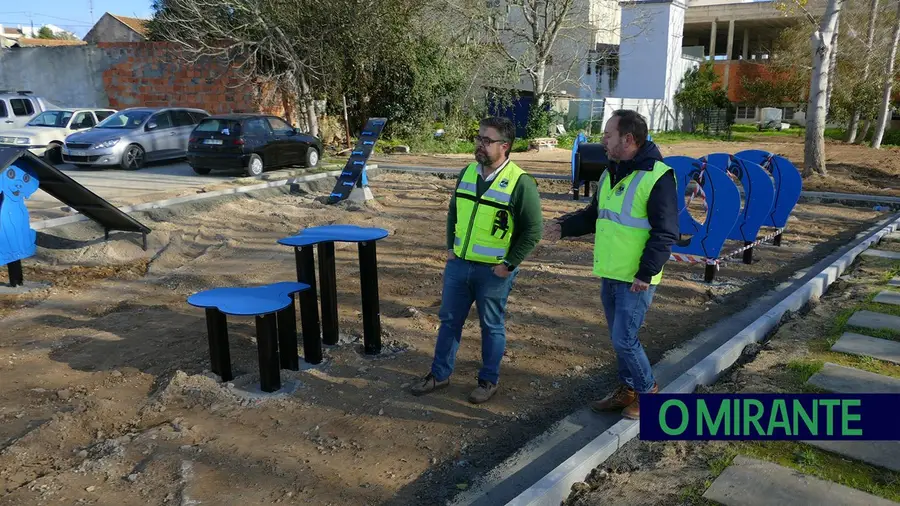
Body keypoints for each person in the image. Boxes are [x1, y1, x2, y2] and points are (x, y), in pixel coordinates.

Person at [544, 110, 678, 419]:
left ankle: (648, 393)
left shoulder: (658, 176)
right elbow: (594, 216)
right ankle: (628, 389)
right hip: (611, 272)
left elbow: (666, 232)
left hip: (636, 278)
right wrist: (563, 228)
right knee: (620, 341)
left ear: (628, 139)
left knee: (624, 339)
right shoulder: (611, 173)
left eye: (607, 135)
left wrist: (646, 273)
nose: (602, 141)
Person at [411, 116, 543, 404]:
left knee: (491, 326)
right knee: (449, 321)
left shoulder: (520, 183)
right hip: (459, 266)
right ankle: (439, 374)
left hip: (493, 272)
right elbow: (453, 213)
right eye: (478, 138)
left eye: (487, 140)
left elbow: (533, 230)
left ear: (505, 146)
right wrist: (450, 247)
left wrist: (509, 263)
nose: (479, 144)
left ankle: (488, 380)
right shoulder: (467, 173)